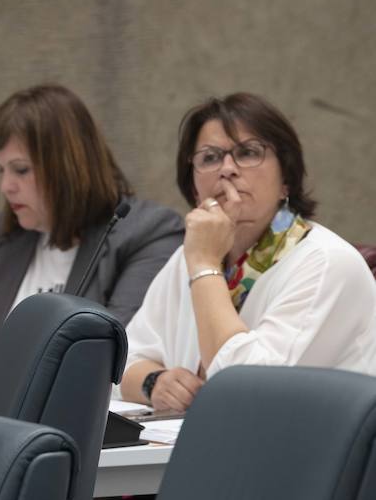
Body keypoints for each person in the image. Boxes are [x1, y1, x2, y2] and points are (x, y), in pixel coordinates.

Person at [0, 84, 183, 377]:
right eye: (1, 169)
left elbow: (111, 348)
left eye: (21, 170)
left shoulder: (148, 234)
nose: (6, 186)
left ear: (68, 168)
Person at [121, 93, 376, 410]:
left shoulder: (325, 263)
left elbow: (247, 390)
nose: (227, 169)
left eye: (248, 152)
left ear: (286, 180)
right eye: (210, 158)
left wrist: (205, 266)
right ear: (193, 187)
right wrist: (154, 382)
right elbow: (123, 361)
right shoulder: (189, 256)